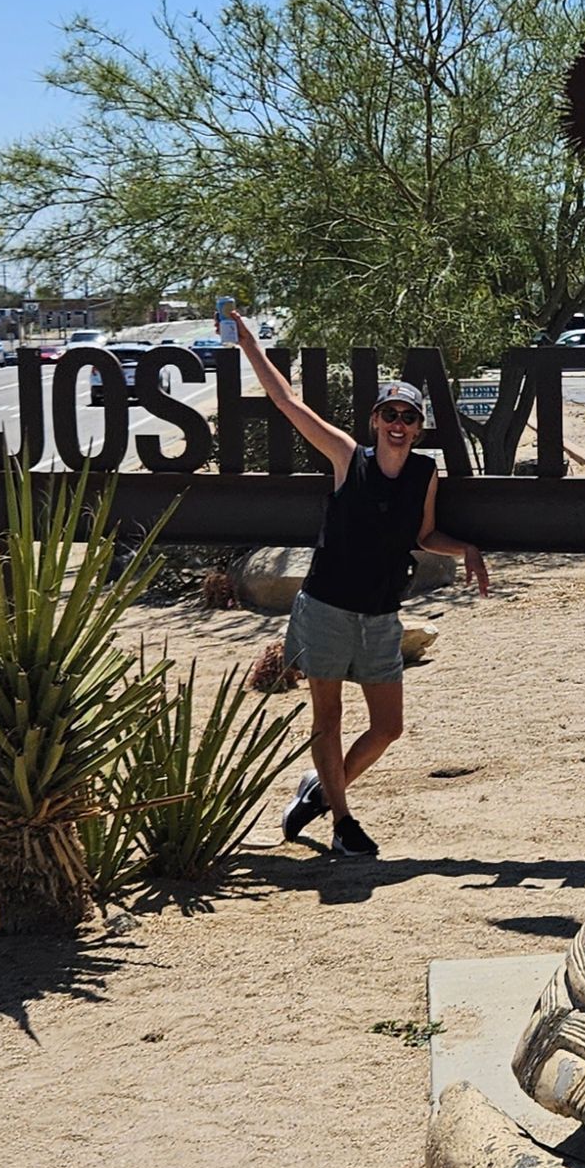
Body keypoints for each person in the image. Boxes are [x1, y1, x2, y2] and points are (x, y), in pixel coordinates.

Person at [225, 310, 491, 857]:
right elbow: (287, 404)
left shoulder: (424, 473)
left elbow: (422, 535)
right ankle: (343, 821)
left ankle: (321, 790)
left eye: (408, 417)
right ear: (375, 420)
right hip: (326, 605)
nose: (398, 423)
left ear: (418, 428)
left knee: (388, 727)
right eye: (389, 414)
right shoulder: (349, 457)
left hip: (380, 612)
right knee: (329, 717)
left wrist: (465, 548)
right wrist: (251, 344)